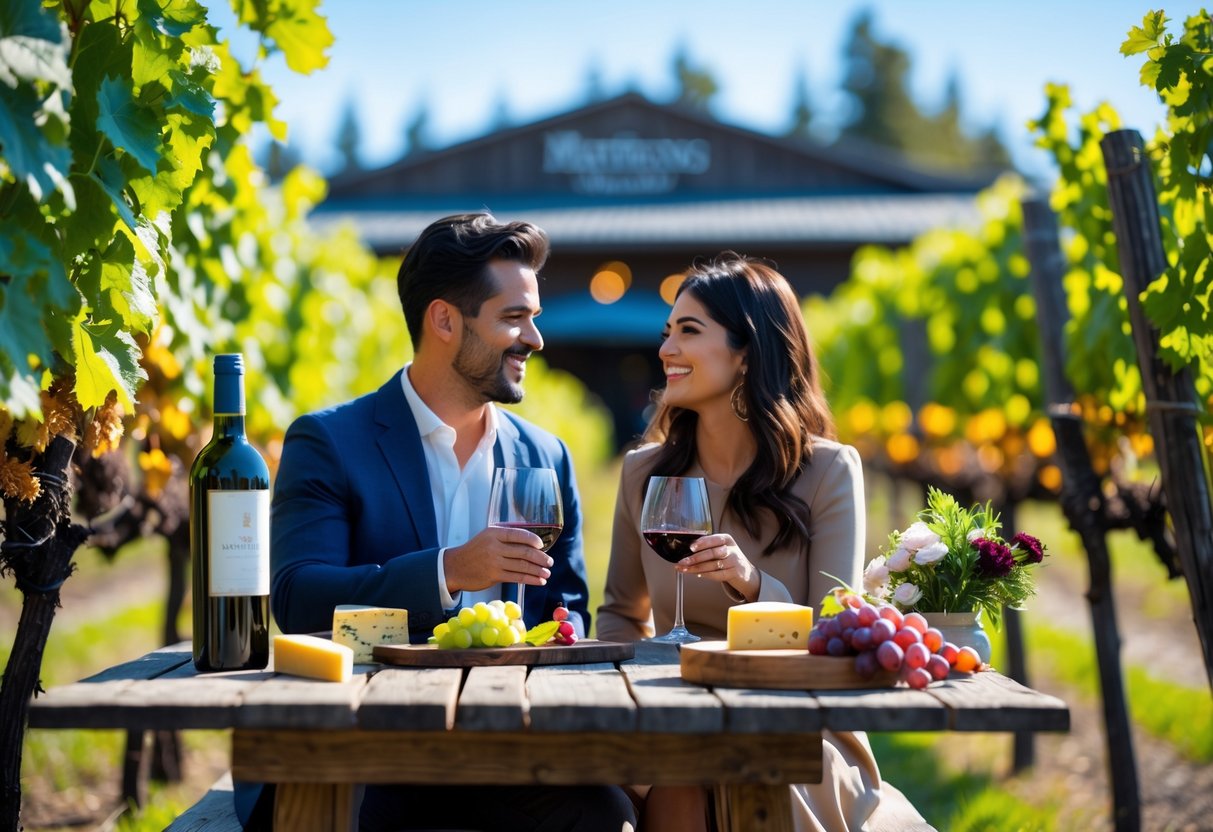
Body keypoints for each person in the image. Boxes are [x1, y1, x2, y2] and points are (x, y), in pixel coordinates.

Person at [267, 213, 636, 832]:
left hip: (512, 754)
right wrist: (450, 570)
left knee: (608, 819)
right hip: (368, 752)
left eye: (534, 317)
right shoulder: (329, 441)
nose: (535, 339)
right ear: (444, 320)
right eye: (514, 318)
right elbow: (300, 598)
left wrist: (561, 632)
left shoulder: (546, 457)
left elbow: (567, 613)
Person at [596, 252, 882, 832]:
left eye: (689, 331)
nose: (666, 350)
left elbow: (834, 630)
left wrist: (752, 585)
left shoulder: (827, 471)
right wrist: (643, 701)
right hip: (669, 717)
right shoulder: (642, 473)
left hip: (794, 719)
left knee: (728, 767)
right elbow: (621, 615)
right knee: (679, 769)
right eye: (667, 332)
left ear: (747, 352)